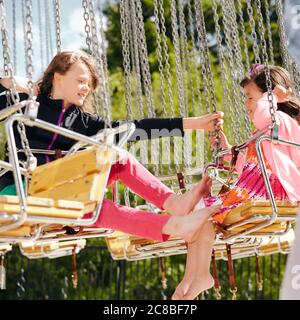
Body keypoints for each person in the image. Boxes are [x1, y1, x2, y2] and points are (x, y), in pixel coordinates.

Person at [0, 51, 221, 295]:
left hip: (59, 192)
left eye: (89, 84)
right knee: (95, 207)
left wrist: (194, 124)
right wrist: (7, 83)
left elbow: (135, 128)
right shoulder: (25, 101)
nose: (86, 88)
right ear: (58, 77)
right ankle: (174, 223)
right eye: (81, 80)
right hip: (19, 190)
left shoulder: (81, 121)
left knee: (119, 160)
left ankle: (175, 206)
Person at [172, 64, 300, 300]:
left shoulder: (280, 119)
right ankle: (194, 275)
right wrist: (225, 147)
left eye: (250, 97)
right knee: (200, 210)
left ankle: (199, 276)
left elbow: (264, 115)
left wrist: (272, 96)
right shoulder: (263, 130)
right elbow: (242, 165)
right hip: (253, 189)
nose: (247, 104)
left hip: (272, 190)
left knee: (206, 210)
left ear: (271, 97)